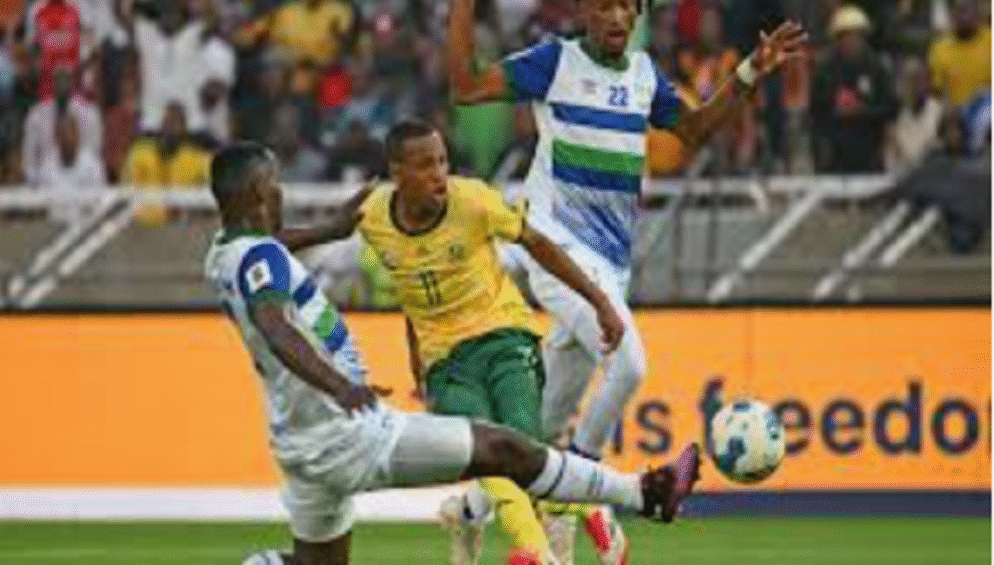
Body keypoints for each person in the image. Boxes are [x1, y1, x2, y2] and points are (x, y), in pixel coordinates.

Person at [446, 0, 803, 559]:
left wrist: (747, 74)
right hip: (552, 246)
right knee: (630, 361)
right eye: (603, 5)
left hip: (609, 263)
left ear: (638, 13)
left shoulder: (643, 77)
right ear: (582, 11)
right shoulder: (554, 62)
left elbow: (693, 129)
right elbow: (466, 86)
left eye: (625, 6)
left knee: (546, 421)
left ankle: (471, 506)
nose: (615, 16)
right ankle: (574, 498)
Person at [203, 143, 700, 565]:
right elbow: (273, 326)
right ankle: (644, 494)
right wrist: (340, 385)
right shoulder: (260, 259)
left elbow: (266, 249)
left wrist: (328, 232)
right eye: (274, 183)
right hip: (347, 432)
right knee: (506, 449)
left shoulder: (225, 254)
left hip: (298, 441)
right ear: (257, 194)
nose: (281, 190)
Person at [809, 5, 896, 173]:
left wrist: (861, 111)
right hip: (835, 151)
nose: (852, 41)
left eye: (857, 36)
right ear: (837, 39)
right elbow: (816, 111)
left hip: (869, 149)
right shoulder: (825, 70)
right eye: (846, 36)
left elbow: (890, 108)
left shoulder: (877, 68)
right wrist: (836, 113)